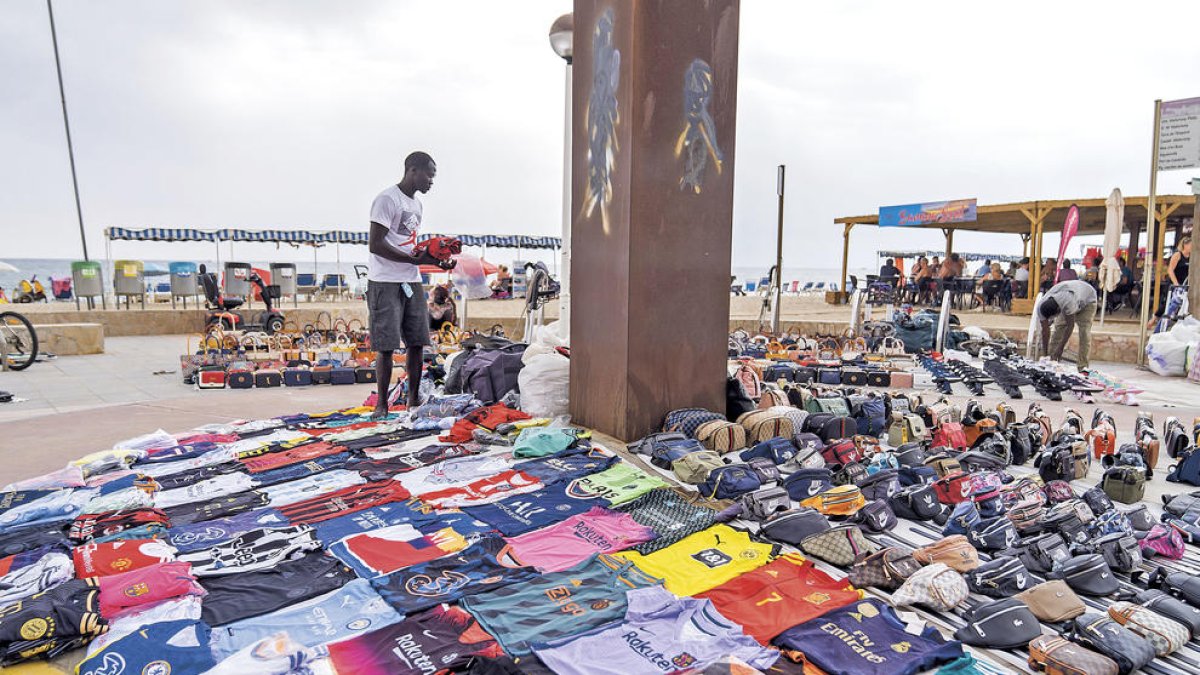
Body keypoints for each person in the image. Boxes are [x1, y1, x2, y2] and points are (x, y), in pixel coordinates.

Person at [367, 150, 444, 418]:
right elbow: (376, 244)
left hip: (411, 280)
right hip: (385, 281)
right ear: (413, 170)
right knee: (386, 345)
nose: (432, 181)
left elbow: (411, 248)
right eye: (429, 175)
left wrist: (435, 260)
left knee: (416, 342)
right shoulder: (387, 200)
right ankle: (382, 405)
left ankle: (412, 401)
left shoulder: (417, 206)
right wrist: (415, 260)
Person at [1039, 279, 1098, 372]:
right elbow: (1045, 331)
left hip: (1088, 300)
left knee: (1084, 333)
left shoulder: (1067, 302)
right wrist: (1045, 354)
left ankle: (1083, 367)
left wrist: (1060, 349)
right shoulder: (1041, 306)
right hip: (1072, 296)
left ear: (1058, 310)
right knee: (1058, 328)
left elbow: (1070, 326)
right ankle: (1051, 361)